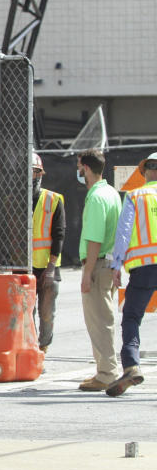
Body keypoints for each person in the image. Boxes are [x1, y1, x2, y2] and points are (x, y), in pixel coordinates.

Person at [107, 152, 157, 397]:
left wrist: (116, 264)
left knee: (132, 317)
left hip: (145, 267)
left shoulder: (136, 195)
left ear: (145, 171)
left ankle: (131, 366)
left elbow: (124, 232)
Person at [75, 149, 122, 392]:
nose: (78, 172)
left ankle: (106, 373)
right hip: (110, 263)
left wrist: (87, 272)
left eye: (79, 167)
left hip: (98, 264)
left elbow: (94, 239)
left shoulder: (95, 198)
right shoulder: (112, 193)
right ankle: (105, 369)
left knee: (99, 321)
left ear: (86, 168)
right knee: (104, 318)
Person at [31, 153, 65, 353]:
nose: (32, 177)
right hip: (23, 266)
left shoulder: (53, 200)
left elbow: (59, 235)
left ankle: (43, 347)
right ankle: (30, 348)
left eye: (35, 172)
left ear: (40, 174)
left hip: (47, 267)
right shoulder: (14, 200)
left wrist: (51, 267)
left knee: (46, 312)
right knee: (27, 312)